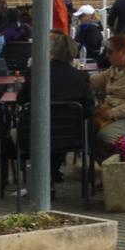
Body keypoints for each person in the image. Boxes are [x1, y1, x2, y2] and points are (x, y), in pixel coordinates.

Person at [17, 31, 95, 182]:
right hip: (70, 136)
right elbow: (89, 109)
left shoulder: (35, 73)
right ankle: (51, 173)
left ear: (51, 50)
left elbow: (21, 100)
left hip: (35, 134)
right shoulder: (80, 77)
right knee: (61, 131)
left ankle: (46, 176)